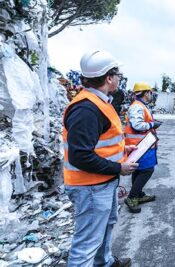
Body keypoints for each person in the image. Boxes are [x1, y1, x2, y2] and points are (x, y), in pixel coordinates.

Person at [63, 50, 138, 267]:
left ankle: (104, 262)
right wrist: (119, 167)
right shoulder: (86, 108)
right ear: (108, 78)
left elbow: (103, 141)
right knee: (87, 242)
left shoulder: (100, 102)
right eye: (117, 75)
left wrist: (125, 148)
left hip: (102, 183)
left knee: (106, 226)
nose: (119, 79)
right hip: (90, 187)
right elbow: (81, 156)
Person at [124, 82, 162, 213]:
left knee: (139, 170)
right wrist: (152, 125)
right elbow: (137, 125)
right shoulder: (137, 107)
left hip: (142, 145)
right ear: (146, 93)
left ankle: (138, 194)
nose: (151, 95)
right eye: (150, 92)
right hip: (140, 146)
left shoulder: (141, 105)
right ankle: (132, 197)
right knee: (147, 170)